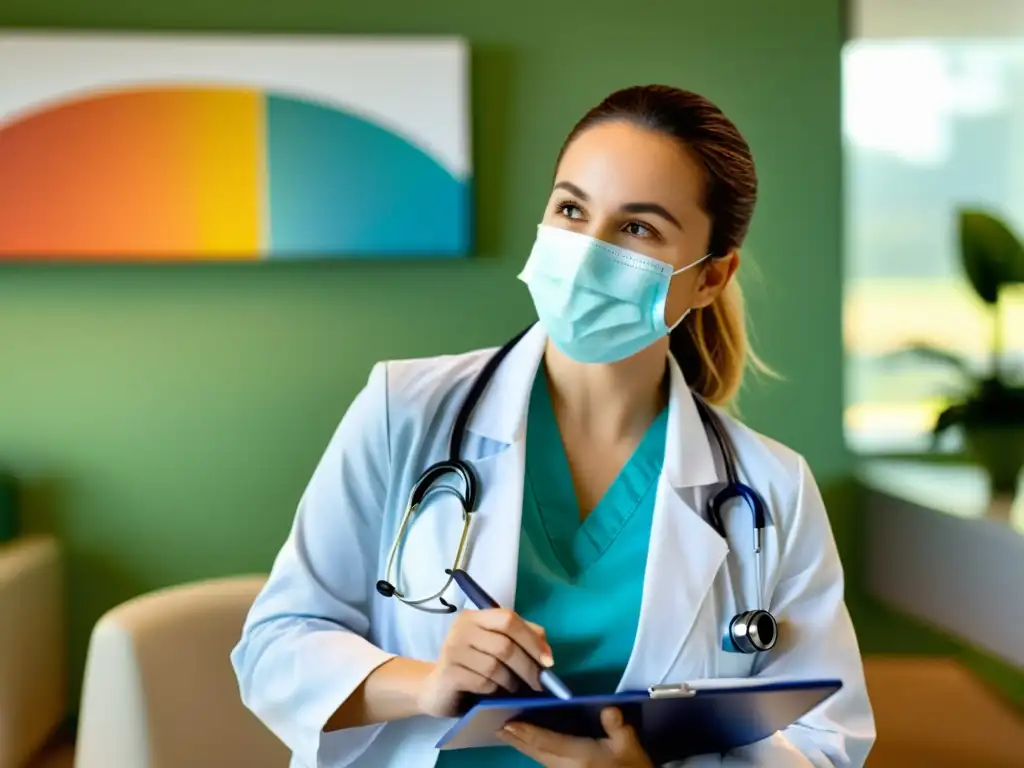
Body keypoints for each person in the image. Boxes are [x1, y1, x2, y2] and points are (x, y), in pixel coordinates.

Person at [231, 84, 876, 768]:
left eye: (637, 228)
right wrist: (428, 684)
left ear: (711, 277)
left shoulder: (771, 488)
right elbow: (275, 646)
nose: (587, 250)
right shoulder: (405, 409)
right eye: (571, 208)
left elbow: (827, 744)